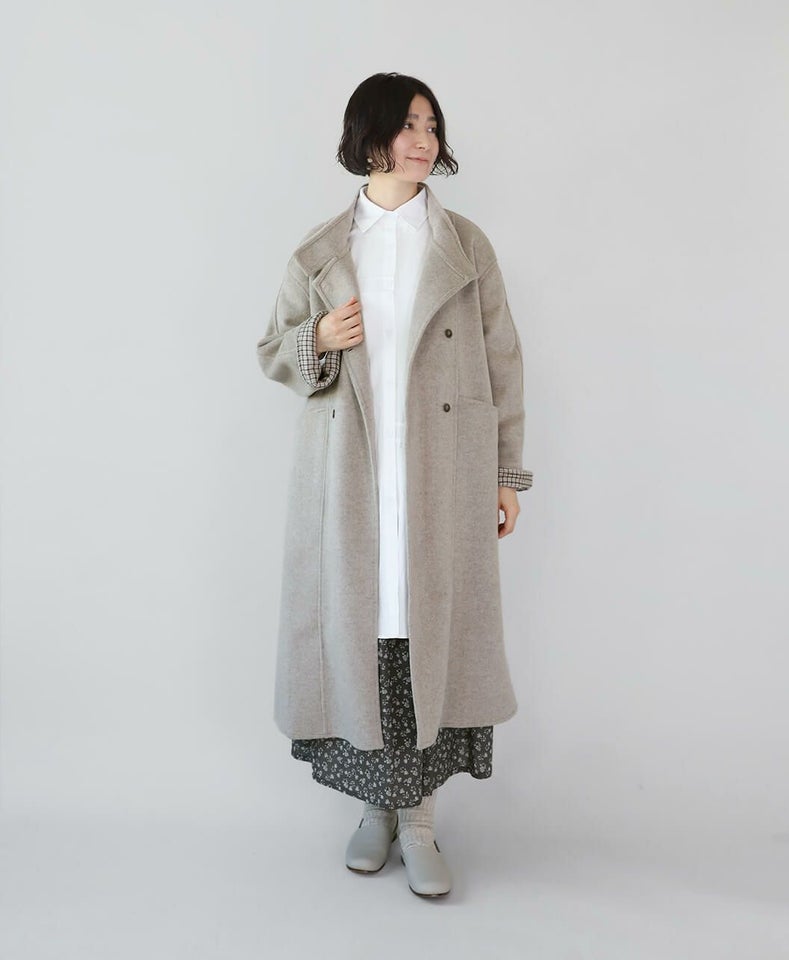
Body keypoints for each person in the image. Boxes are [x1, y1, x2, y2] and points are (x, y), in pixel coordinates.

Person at [256, 72, 533, 898]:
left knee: (426, 633)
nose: (423, 140)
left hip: (442, 469)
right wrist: (317, 336)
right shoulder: (319, 251)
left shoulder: (466, 246)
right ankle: (375, 812)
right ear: (369, 135)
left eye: (431, 126)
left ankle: (419, 821)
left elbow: (504, 361)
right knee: (365, 635)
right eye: (408, 124)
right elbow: (273, 353)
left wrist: (506, 473)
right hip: (350, 475)